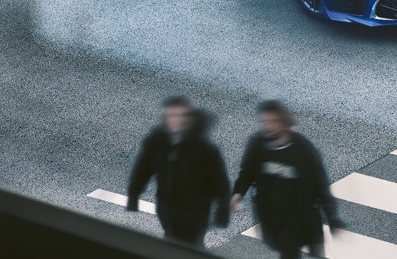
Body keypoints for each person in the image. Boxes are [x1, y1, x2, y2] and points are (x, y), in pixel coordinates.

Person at [231, 101, 344, 259]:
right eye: (264, 121)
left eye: (272, 121)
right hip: (277, 221)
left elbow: (320, 185)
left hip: (305, 218)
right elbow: (248, 172)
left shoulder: (302, 149)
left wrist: (333, 219)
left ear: (283, 122)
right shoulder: (258, 145)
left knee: (316, 254)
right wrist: (238, 192)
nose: (267, 126)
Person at [126, 96, 230, 247]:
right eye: (170, 116)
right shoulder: (158, 141)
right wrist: (133, 194)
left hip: (194, 215)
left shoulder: (204, 148)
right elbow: (143, 168)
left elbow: (220, 182)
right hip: (167, 209)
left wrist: (222, 212)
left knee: (185, 245)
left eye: (179, 116)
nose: (174, 120)